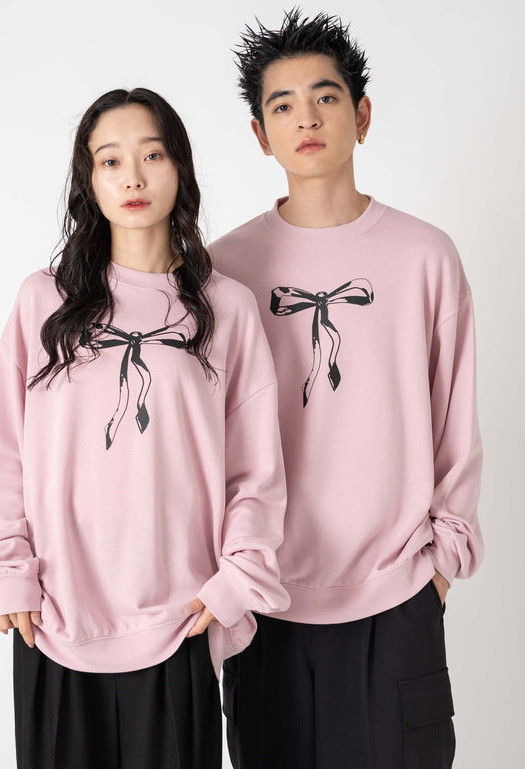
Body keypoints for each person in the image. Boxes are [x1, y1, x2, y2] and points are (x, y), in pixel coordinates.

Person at [0, 87, 290, 769]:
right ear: (89, 180)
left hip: (178, 618)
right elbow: (5, 452)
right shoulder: (43, 300)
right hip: (53, 617)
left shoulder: (226, 308)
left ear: (180, 167)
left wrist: (235, 580)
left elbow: (254, 470)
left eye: (152, 155)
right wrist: (9, 570)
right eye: (110, 161)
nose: (132, 177)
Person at [211, 10, 483, 769]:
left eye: (325, 97)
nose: (306, 118)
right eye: (283, 105)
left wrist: (440, 563)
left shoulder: (425, 256)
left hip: (397, 595)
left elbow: (456, 413)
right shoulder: (222, 270)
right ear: (260, 134)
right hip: (265, 599)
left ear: (361, 116)